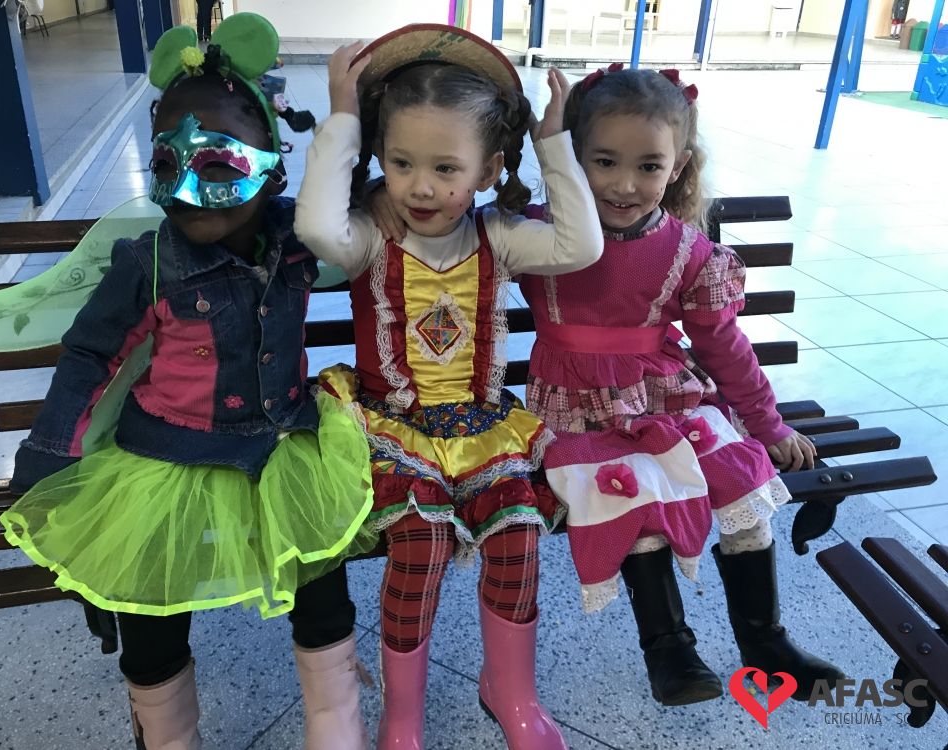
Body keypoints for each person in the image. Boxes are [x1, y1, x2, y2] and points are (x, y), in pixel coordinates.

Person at [0, 15, 375, 749]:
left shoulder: (298, 239)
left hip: (284, 450)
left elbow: (349, 208)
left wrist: (346, 116)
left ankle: (337, 726)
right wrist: (47, 457)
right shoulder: (149, 262)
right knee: (150, 604)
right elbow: (91, 355)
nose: (191, 188)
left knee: (323, 589)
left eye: (221, 166)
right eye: (169, 162)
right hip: (165, 459)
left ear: (273, 167)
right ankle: (167, 737)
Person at [294, 24, 603, 750]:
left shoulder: (500, 236)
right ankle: (402, 718)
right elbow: (316, 228)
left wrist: (553, 143)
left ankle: (512, 694)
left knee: (520, 534)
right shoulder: (369, 236)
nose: (421, 186)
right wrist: (343, 116)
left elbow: (581, 244)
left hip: (484, 432)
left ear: (490, 169)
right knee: (422, 544)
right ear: (378, 155)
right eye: (401, 163)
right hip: (391, 431)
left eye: (445, 168)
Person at [517, 65, 845, 706]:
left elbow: (723, 345)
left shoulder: (688, 252)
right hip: (578, 408)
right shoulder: (536, 235)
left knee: (739, 477)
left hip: (666, 398)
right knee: (633, 490)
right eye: (604, 162)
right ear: (573, 157)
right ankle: (668, 649)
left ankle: (765, 641)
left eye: (648, 166)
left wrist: (768, 423)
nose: (624, 184)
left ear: (678, 167)